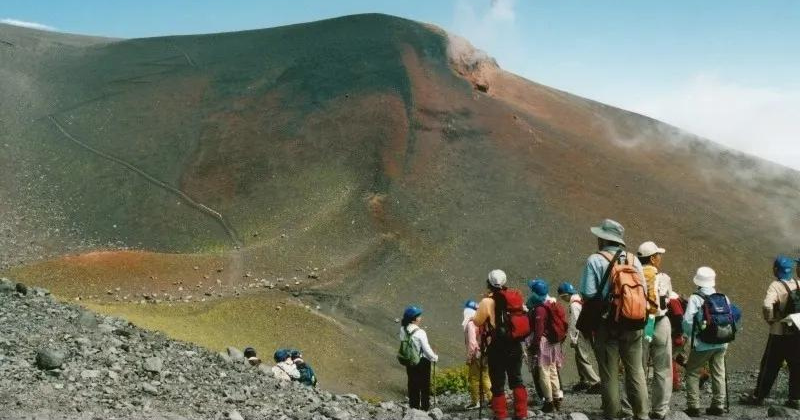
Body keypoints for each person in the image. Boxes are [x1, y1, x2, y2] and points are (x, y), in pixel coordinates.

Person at [579, 219, 649, 420]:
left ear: (603, 238)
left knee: (609, 373)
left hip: (607, 323)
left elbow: (589, 293)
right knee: (636, 371)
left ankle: (612, 414)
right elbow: (643, 290)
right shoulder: (634, 260)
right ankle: (642, 414)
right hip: (634, 322)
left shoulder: (595, 259)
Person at [740, 255, 800, 408]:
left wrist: (771, 320)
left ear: (776, 270)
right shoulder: (798, 283)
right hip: (796, 332)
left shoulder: (775, 286)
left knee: (770, 365)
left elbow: (767, 306)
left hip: (778, 333)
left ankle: (758, 397)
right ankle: (794, 399)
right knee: (796, 365)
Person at [473, 269, 529, 420]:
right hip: (515, 344)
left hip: (497, 346)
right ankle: (521, 413)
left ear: (489, 283)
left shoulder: (487, 301)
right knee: (517, 379)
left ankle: (500, 415)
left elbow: (477, 321)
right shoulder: (515, 298)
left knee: (497, 383)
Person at [682, 267, 730, 417]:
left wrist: (691, 336)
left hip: (702, 344)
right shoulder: (724, 297)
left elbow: (687, 322)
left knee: (692, 372)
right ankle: (718, 405)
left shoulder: (695, 298)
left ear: (698, 281)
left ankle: (693, 406)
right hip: (722, 342)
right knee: (718, 372)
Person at [637, 241, 674, 420]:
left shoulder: (634, 275)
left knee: (638, 368)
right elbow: (668, 297)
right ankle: (659, 410)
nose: (660, 258)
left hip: (640, 324)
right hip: (658, 322)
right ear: (652, 258)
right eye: (658, 255)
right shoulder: (663, 277)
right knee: (663, 369)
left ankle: (639, 409)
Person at [527, 279, 564, 413]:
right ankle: (557, 398)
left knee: (544, 373)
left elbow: (538, 331)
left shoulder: (540, 309)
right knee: (553, 371)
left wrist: (534, 345)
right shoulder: (551, 304)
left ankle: (548, 402)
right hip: (553, 343)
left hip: (543, 343)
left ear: (536, 293)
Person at [557, 281, 601, 393]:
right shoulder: (580, 300)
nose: (563, 300)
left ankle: (595, 382)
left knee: (582, 357)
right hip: (586, 332)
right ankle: (584, 379)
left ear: (566, 295)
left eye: (563, 297)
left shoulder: (574, 305)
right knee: (579, 357)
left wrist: (573, 339)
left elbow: (575, 323)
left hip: (580, 334)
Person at [399, 305, 439, 411]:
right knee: (424, 385)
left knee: (412, 383)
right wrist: (434, 357)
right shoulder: (420, 332)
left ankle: (414, 407)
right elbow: (426, 350)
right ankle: (425, 408)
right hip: (422, 361)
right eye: (419, 316)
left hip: (409, 360)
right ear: (414, 318)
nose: (420, 318)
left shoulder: (403, 329)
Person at [463, 299, 491, 409]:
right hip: (485, 352)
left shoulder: (470, 323)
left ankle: (475, 402)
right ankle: (491, 398)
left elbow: (472, 343)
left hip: (476, 354)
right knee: (485, 376)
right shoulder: (482, 321)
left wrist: (469, 357)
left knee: (474, 378)